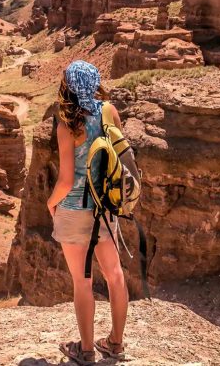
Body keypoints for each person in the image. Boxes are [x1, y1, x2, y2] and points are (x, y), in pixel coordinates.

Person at [48, 60, 128, 365]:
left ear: (68, 85)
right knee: (115, 275)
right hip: (105, 207)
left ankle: (85, 350)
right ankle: (116, 343)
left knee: (82, 281)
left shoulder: (67, 123)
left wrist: (50, 203)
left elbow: (67, 180)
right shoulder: (109, 111)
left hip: (74, 210)